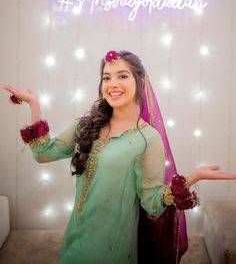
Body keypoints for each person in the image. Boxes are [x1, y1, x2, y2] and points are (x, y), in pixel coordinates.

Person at [3, 50, 236, 264]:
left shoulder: (148, 139)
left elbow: (153, 203)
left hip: (114, 245)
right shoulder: (86, 126)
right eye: (106, 77)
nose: (113, 84)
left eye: (122, 76)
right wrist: (34, 106)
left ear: (140, 81)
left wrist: (194, 177)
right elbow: (44, 153)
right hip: (76, 235)